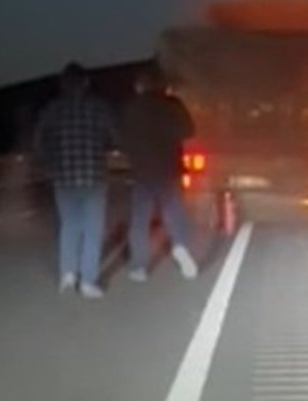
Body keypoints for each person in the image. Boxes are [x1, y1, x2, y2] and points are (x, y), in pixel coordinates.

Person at [33, 62, 116, 298]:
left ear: (62, 85)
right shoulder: (99, 107)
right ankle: (88, 280)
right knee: (93, 228)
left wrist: (51, 161)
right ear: (86, 83)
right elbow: (114, 135)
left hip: (63, 177)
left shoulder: (52, 109)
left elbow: (39, 141)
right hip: (93, 175)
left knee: (69, 225)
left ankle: (67, 273)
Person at [118, 66, 198, 282]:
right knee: (174, 212)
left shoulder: (132, 108)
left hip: (142, 171)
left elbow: (122, 138)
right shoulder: (171, 105)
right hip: (169, 168)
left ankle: (139, 267)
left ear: (139, 87)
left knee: (140, 220)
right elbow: (189, 130)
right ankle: (180, 245)